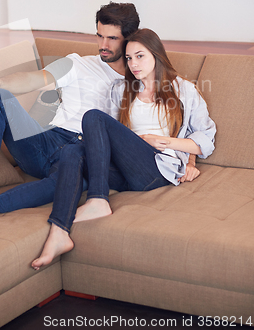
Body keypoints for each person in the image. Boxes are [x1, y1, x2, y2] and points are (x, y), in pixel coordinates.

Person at [0, 2, 140, 223]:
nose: (103, 45)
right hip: (46, 141)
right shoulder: (77, 64)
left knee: (70, 181)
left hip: (85, 154)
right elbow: (36, 78)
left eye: (112, 39)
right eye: (100, 36)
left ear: (129, 38)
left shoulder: (141, 79)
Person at [32, 28, 216, 270]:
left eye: (140, 56)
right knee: (73, 151)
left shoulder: (183, 90)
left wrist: (165, 144)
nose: (134, 64)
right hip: (127, 169)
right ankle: (59, 233)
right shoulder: (122, 90)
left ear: (156, 54)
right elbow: (109, 135)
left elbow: (205, 138)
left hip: (156, 168)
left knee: (93, 117)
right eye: (129, 58)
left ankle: (98, 199)